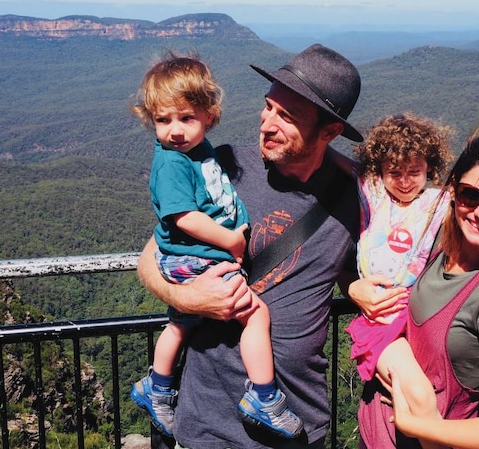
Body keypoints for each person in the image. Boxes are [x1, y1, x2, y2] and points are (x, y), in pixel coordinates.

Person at [135, 44, 363, 449]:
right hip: (206, 426)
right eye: (269, 106)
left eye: (286, 117)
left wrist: (357, 288)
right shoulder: (222, 167)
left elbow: (359, 265)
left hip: (298, 426)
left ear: (330, 133)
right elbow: (150, 258)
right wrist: (186, 297)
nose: (266, 123)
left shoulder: (355, 200)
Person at [127, 50, 303, 439]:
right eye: (163, 120)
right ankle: (263, 397)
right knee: (255, 314)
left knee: (179, 325)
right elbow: (182, 217)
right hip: (195, 259)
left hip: (195, 257)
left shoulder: (199, 152)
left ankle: (155, 388)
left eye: (186, 118)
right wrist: (231, 240)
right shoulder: (173, 162)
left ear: (209, 115)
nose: (175, 130)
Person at [355, 127, 479, 449]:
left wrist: (416, 424)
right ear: (452, 190)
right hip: (377, 435)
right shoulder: (442, 248)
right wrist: (355, 287)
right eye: (471, 195)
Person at [339, 112, 453, 449]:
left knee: (427, 395)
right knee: (419, 394)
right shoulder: (373, 196)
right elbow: (341, 163)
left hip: (414, 319)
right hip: (379, 321)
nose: (404, 181)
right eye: (395, 172)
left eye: (414, 172)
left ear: (429, 169)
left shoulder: (436, 204)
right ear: (379, 171)